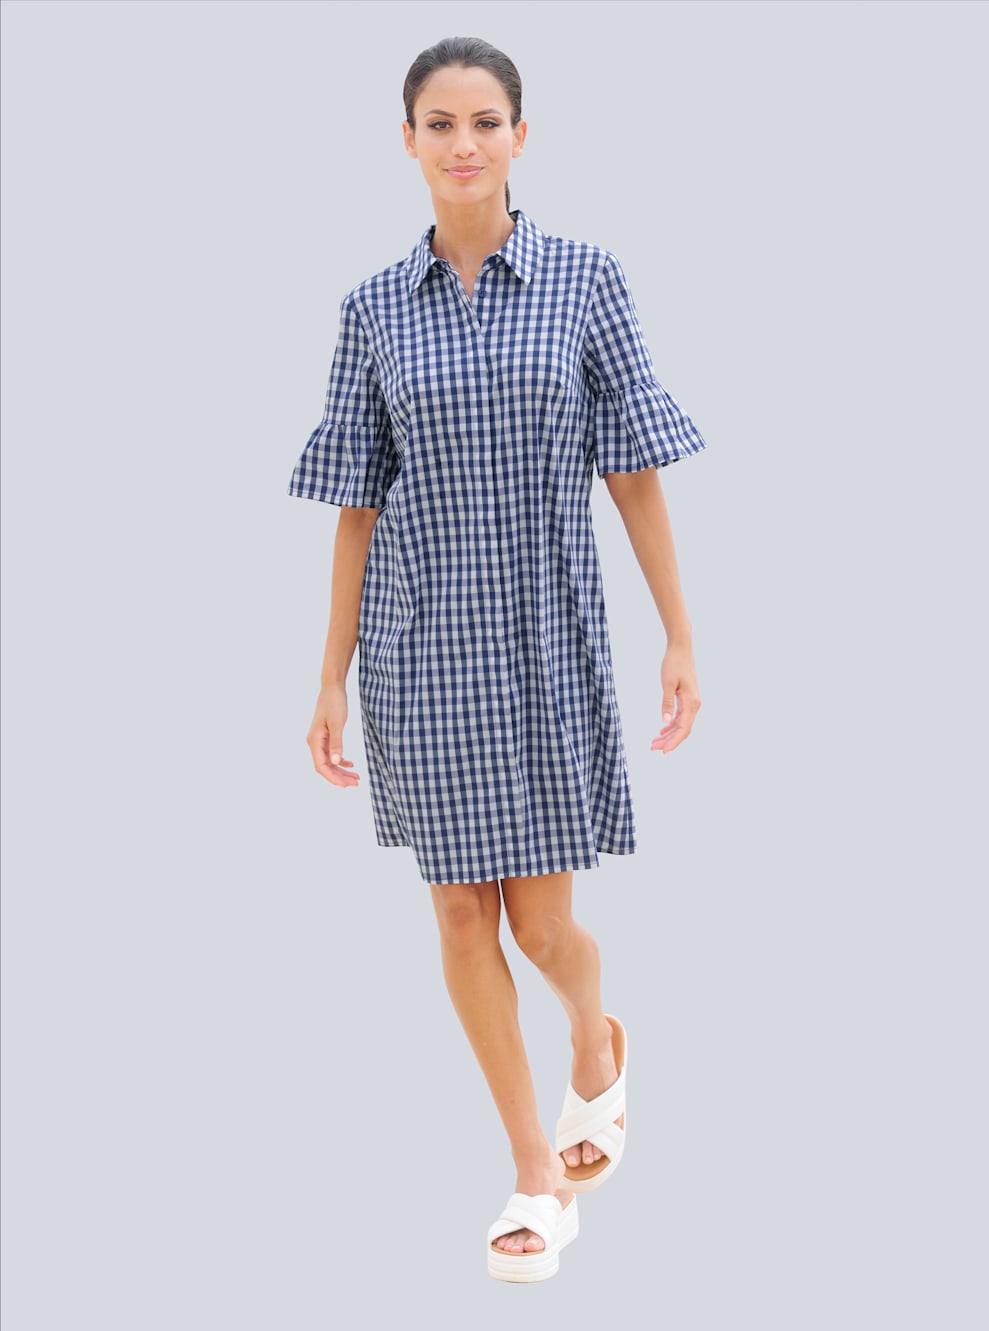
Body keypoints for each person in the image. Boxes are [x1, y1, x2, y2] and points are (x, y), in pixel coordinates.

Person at [287, 36, 706, 1282]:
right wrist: (328, 674)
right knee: (459, 907)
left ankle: (596, 1038)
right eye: (439, 122)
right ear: (407, 141)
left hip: (546, 633)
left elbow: (632, 467)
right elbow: (357, 502)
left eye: (484, 121)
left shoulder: (585, 278)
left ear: (521, 136)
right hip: (417, 646)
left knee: (544, 922)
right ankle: (533, 1170)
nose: (462, 143)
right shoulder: (372, 308)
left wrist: (680, 633)